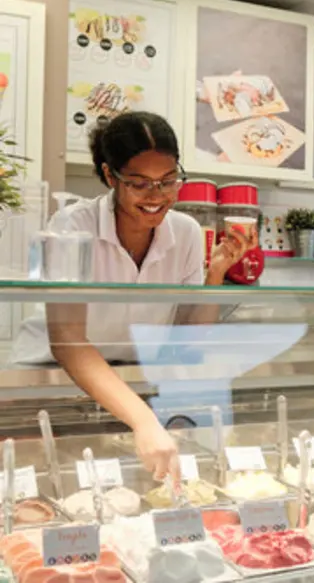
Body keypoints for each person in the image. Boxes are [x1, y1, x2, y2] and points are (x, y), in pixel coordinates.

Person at [10, 111, 255, 482]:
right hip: (52, 383)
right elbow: (68, 342)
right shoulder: (73, 226)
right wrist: (143, 419)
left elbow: (187, 339)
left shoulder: (186, 232)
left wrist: (216, 272)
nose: (157, 197)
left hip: (130, 386)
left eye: (169, 181)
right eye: (140, 184)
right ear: (110, 176)